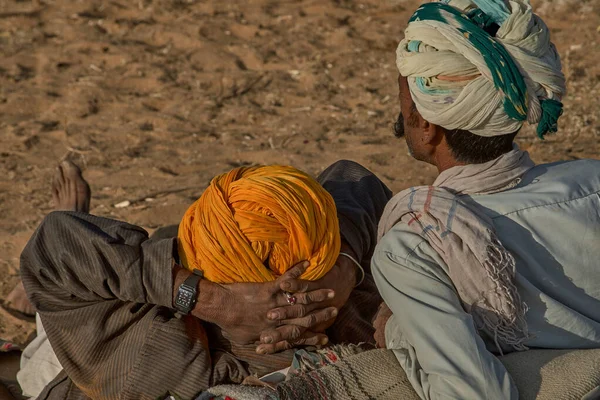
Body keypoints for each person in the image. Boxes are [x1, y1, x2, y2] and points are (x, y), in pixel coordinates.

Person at [371, 0, 600, 399]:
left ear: (427, 126)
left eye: (405, 103)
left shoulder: (413, 247)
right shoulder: (592, 182)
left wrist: (399, 334)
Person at [20, 159, 391, 400]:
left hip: (71, 352)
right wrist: (344, 264)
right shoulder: (358, 310)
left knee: (58, 323)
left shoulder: (156, 350)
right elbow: (353, 177)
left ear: (206, 271)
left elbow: (53, 246)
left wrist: (209, 300)